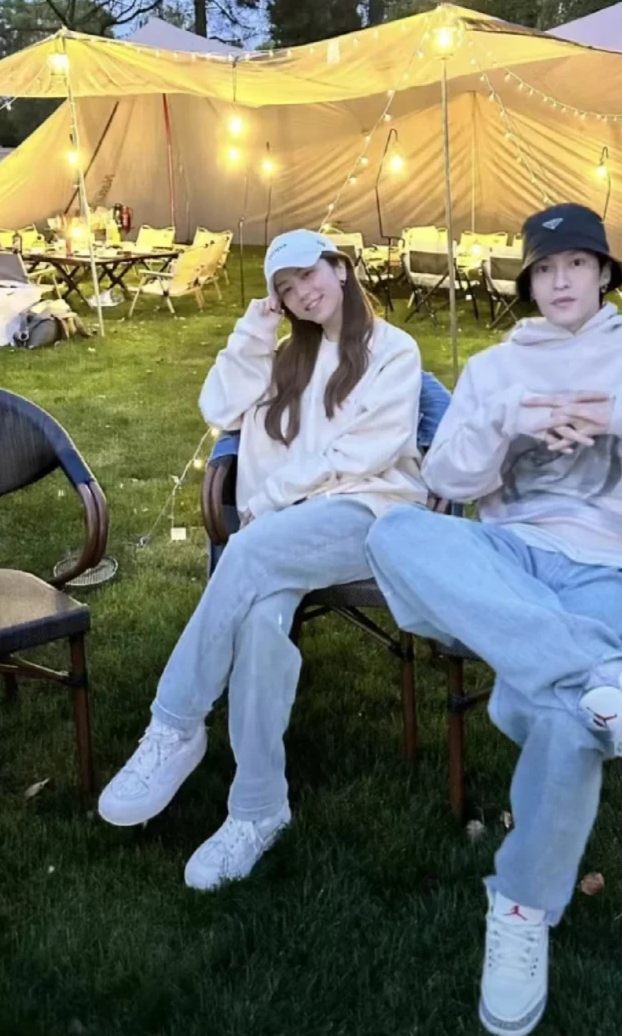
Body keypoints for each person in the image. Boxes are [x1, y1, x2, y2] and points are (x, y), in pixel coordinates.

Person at [365, 204, 622, 1036]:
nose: (560, 281)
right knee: (395, 532)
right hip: (512, 561)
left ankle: (519, 906)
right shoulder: (495, 370)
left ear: (605, 271)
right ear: (528, 282)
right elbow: (449, 480)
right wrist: (507, 422)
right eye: (543, 269)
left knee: (556, 712)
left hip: (619, 572)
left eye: (576, 264)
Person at [99, 229, 426, 888]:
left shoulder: (394, 350)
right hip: (283, 533)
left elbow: (365, 454)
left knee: (247, 551)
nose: (303, 293)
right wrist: (253, 332)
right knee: (258, 622)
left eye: (310, 274)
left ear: (340, 268)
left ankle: (174, 724)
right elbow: (217, 407)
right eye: (286, 288)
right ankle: (258, 809)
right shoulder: (283, 358)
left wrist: (272, 499)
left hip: (368, 516)